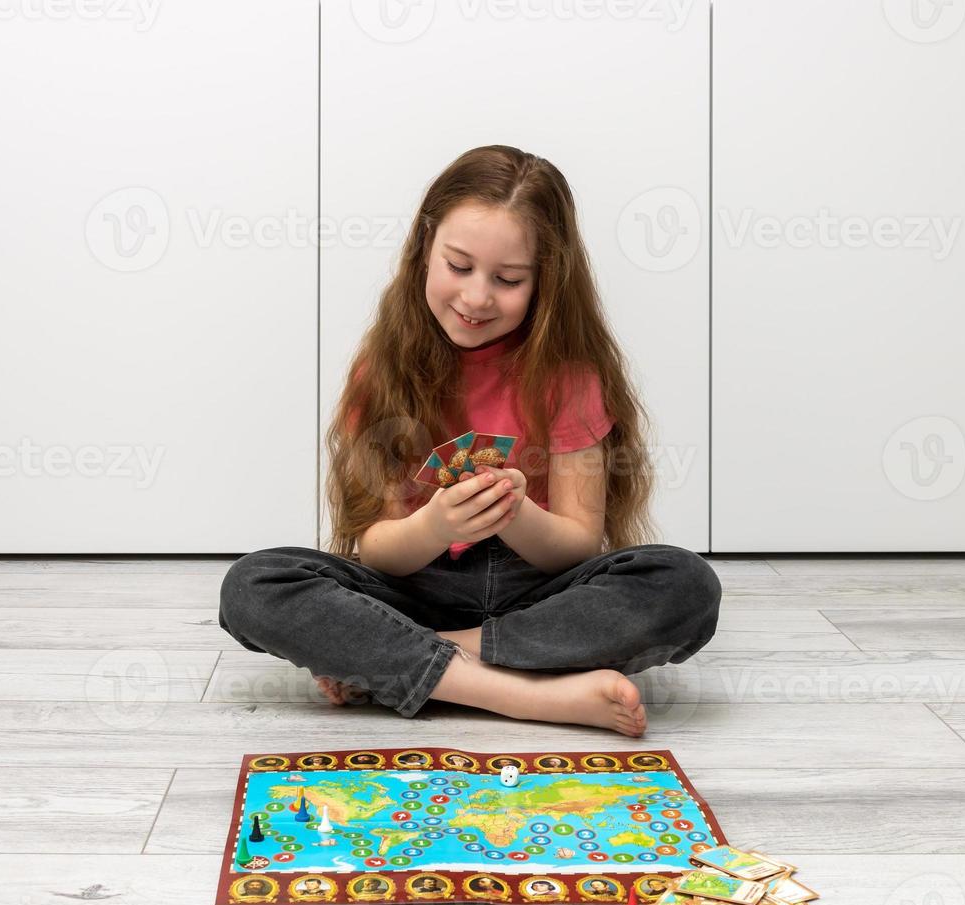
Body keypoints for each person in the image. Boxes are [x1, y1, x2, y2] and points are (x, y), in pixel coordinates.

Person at [218, 145, 721, 736]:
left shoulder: (569, 374)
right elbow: (378, 549)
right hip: (415, 586)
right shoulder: (380, 373)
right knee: (252, 586)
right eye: (459, 267)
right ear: (423, 252)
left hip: (540, 592)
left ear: (546, 282)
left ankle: (421, 657)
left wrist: (515, 514)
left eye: (508, 280)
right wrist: (437, 526)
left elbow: (579, 546)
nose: (477, 297)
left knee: (685, 585)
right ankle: (523, 694)